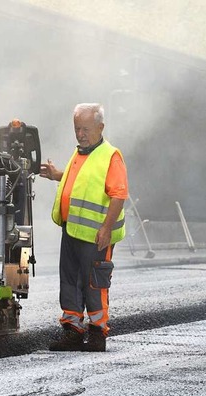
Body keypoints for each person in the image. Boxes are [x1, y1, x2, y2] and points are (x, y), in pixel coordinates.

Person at [39, 103, 128, 352]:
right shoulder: (80, 153)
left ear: (101, 127)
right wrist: (58, 174)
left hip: (96, 236)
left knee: (95, 284)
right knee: (69, 282)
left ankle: (98, 334)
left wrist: (106, 229)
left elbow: (119, 195)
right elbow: (79, 180)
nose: (80, 134)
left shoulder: (110, 156)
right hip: (72, 231)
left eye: (86, 129)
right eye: (77, 128)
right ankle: (73, 332)